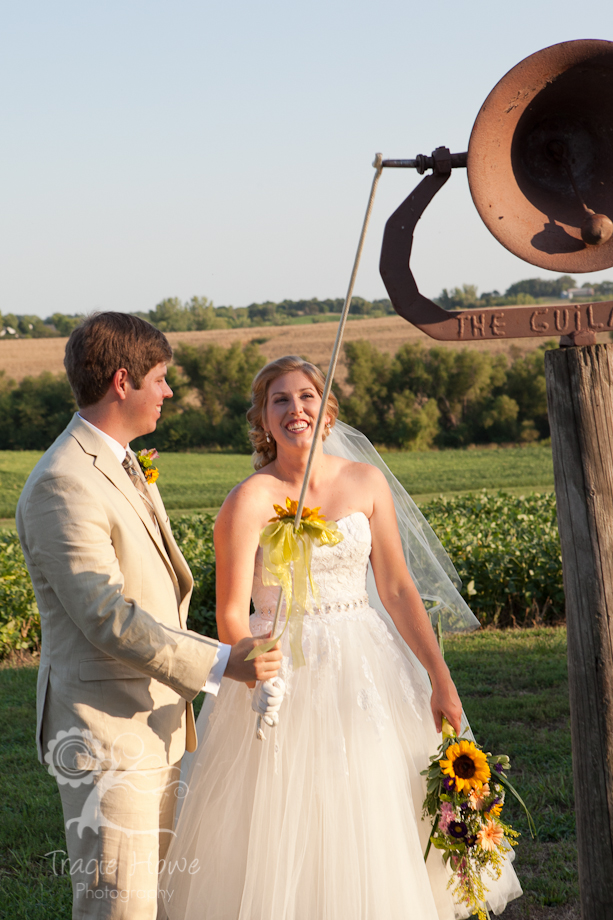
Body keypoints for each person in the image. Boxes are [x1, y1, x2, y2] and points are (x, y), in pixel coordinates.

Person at [160, 355, 522, 919]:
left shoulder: (366, 482)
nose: (295, 409)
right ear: (262, 418)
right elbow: (230, 613)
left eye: (306, 396)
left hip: (368, 662)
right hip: (281, 671)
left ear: (327, 412)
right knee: (287, 816)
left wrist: (440, 678)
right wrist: (259, 676)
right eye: (279, 399)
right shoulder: (247, 501)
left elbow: (399, 588)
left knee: (375, 801)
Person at [16, 313, 282, 920]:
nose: (166, 392)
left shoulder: (119, 460)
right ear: (121, 381)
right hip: (107, 735)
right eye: (159, 379)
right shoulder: (64, 482)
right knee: (120, 904)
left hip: (151, 720)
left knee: (155, 900)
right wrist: (222, 661)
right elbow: (105, 615)